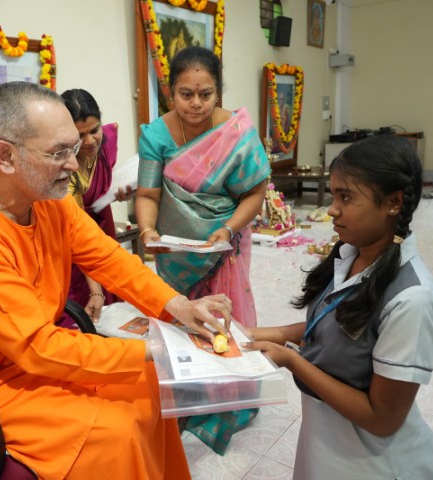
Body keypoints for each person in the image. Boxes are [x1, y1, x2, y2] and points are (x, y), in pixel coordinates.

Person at [0, 81, 233, 480]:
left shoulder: (49, 201)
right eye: (58, 153)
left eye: (74, 149)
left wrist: (177, 306)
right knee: (116, 429)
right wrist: (162, 348)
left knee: (149, 382)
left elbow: (108, 258)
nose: (74, 165)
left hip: (29, 362)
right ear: (5, 156)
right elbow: (36, 347)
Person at [244, 135, 433, 479]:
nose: (332, 209)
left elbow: (382, 419)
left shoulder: (411, 300)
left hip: (373, 460)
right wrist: (248, 334)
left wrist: (292, 360)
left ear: (393, 202)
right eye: (333, 195)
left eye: (346, 197)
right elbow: (334, 324)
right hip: (329, 438)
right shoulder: (353, 255)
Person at [135, 45, 271, 454]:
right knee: (182, 319)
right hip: (175, 251)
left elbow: (255, 191)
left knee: (224, 319)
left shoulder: (235, 132)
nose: (195, 103)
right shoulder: (156, 135)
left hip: (224, 245)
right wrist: (147, 231)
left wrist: (227, 229)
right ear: (170, 93)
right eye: (186, 94)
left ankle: (230, 401)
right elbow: (148, 193)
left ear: (218, 92)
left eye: (205, 94)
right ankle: (190, 397)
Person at [61, 88, 132, 322]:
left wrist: (120, 193)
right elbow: (78, 232)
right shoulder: (63, 168)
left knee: (113, 303)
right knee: (79, 310)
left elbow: (104, 179)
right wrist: (95, 289)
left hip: (103, 224)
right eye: (80, 135)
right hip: (72, 236)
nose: (90, 141)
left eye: (94, 130)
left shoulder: (107, 141)